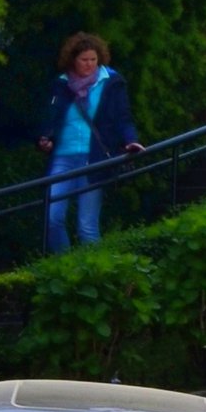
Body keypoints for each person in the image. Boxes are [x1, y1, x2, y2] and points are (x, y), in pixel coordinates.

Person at [37, 33, 141, 252]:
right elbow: (50, 117)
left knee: (87, 226)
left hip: (93, 157)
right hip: (63, 157)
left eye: (93, 60)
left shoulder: (111, 82)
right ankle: (65, 268)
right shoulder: (61, 84)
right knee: (53, 218)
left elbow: (123, 118)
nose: (89, 64)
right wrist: (44, 138)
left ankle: (93, 275)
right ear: (73, 60)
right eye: (84, 60)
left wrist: (131, 141)